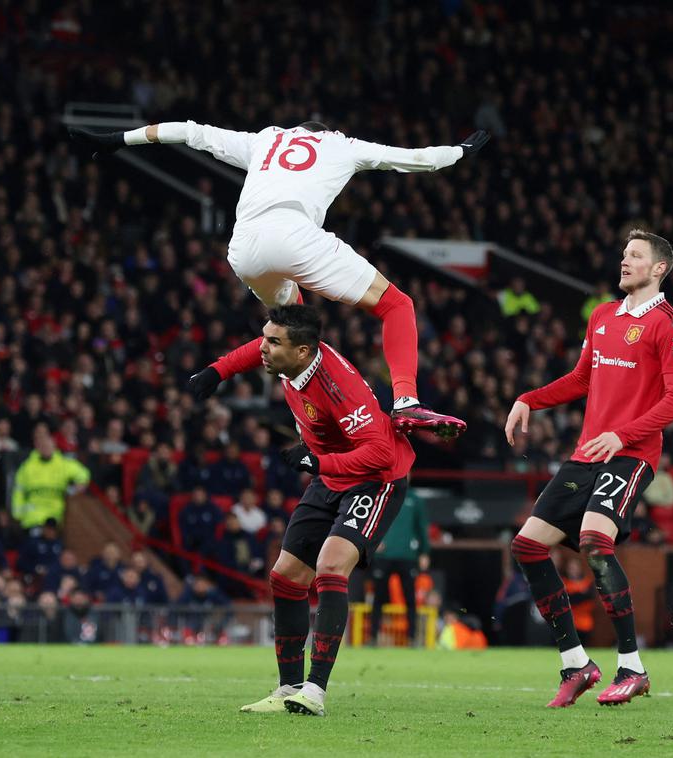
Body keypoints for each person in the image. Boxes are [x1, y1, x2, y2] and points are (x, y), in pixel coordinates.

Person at [72, 120, 490, 438]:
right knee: (397, 305)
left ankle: (297, 421)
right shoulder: (341, 145)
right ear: (326, 133)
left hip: (244, 246)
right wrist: (459, 152)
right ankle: (405, 401)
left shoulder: (264, 140)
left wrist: (117, 140)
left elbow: (190, 131)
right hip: (295, 234)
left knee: (291, 330)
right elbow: (414, 158)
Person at [190, 304, 413, 716]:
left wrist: (319, 462)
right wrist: (218, 371)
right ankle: (287, 687)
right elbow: (253, 351)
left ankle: (315, 691)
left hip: (376, 479)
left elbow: (380, 453)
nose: (264, 347)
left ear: (303, 352)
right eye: (266, 336)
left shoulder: (338, 386)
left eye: (274, 342)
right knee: (286, 575)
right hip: (330, 475)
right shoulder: (292, 361)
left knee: (330, 566)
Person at [504, 229, 673, 707]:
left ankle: (632, 666)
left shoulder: (670, 326)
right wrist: (529, 398)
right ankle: (576, 663)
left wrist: (623, 435)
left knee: (594, 541)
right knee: (527, 546)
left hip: (630, 456)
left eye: (636, 256)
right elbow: (581, 379)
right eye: (624, 253)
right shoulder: (604, 316)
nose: (624, 261)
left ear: (659, 269)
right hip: (586, 454)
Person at [368, 486, 430, 646]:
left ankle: (412, 638)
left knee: (410, 598)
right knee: (378, 598)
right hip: (384, 555)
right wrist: (373, 542)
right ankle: (373, 637)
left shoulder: (415, 499)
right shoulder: (381, 495)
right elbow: (370, 519)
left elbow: (421, 526)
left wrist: (424, 551)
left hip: (407, 556)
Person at [10, 427, 91, 530]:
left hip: (56, 516)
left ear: (54, 447)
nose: (46, 449)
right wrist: (17, 515)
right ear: (38, 447)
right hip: (33, 517)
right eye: (43, 446)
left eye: (49, 446)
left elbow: (83, 473)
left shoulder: (62, 464)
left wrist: (76, 487)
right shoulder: (27, 467)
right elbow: (18, 491)